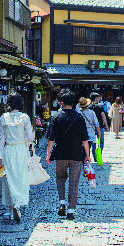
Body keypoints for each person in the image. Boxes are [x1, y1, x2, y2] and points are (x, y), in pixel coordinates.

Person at [46, 89, 91, 220]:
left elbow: (50, 139)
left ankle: (62, 203)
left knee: (60, 179)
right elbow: (84, 139)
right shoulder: (79, 117)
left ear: (61, 102)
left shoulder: (55, 117)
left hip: (60, 154)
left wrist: (48, 154)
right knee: (74, 182)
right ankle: (71, 211)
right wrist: (87, 155)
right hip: (76, 154)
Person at [0, 93, 34, 222]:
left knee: (9, 180)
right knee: (20, 178)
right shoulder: (24, 117)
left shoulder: (3, 117)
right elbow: (30, 137)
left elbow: (0, 139)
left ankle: (11, 210)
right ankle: (18, 204)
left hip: (8, 150)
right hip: (21, 150)